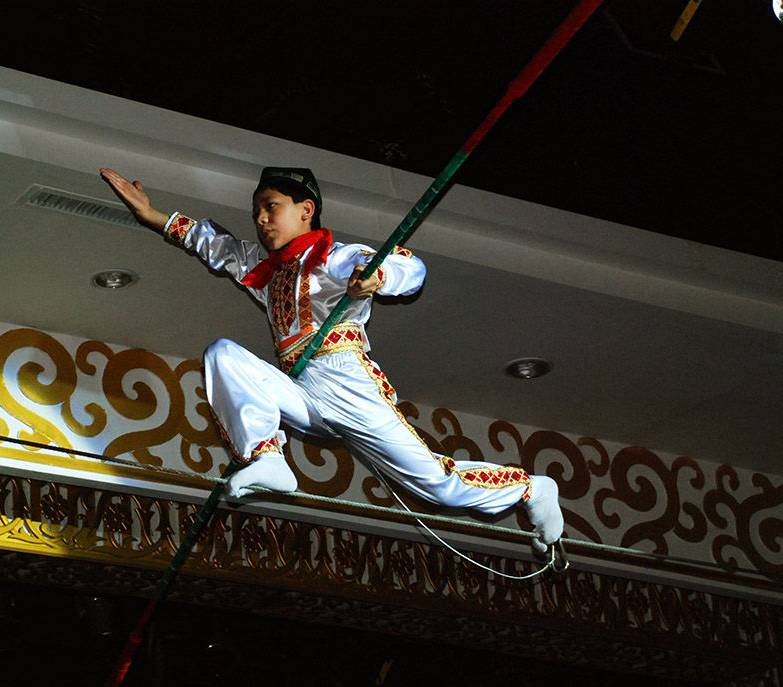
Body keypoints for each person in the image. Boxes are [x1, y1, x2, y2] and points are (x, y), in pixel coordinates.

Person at [100, 167, 563, 552]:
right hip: (304, 391)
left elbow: (409, 268)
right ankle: (267, 457)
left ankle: (532, 490)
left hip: (347, 382)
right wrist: (152, 215)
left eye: (272, 207)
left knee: (435, 485)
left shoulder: (335, 257)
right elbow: (217, 247)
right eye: (257, 210)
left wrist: (373, 278)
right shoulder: (269, 273)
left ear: (305, 210)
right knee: (223, 354)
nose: (261, 219)